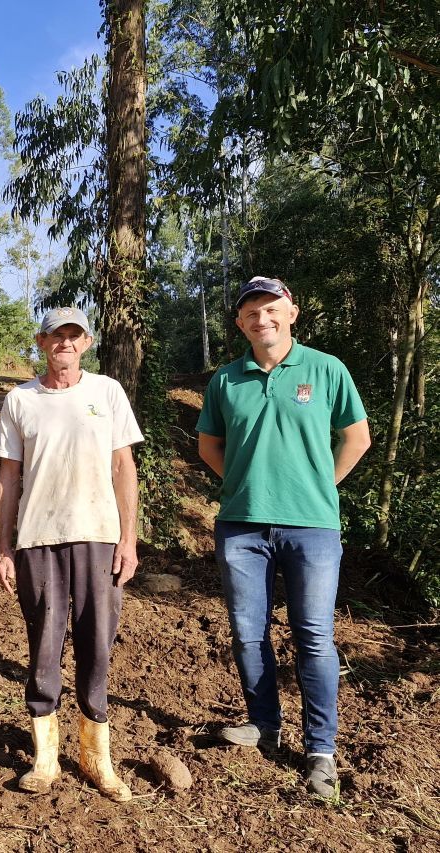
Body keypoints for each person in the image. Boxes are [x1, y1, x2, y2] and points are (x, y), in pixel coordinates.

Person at [197, 276, 371, 798]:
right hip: (241, 526)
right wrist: (244, 488)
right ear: (240, 324)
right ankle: (264, 725)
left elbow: (356, 438)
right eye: (251, 313)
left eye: (271, 309)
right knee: (248, 632)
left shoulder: (326, 369)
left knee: (313, 635)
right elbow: (210, 446)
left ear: (291, 312)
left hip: (312, 527)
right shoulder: (227, 380)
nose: (262, 319)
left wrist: (317, 486)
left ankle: (321, 749)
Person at [0, 306, 143, 802]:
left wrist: (128, 538)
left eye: (73, 336)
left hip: (98, 534)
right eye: (56, 336)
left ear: (86, 342)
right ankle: (46, 754)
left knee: (97, 640)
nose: (65, 344)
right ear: (41, 342)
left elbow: (124, 467)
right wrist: (4, 546)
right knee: (44, 642)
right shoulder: (20, 400)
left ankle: (97, 754)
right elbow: (8, 478)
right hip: (38, 538)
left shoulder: (107, 392)